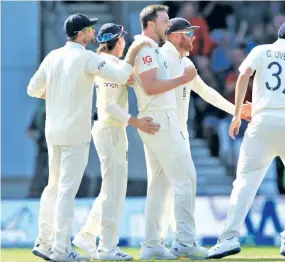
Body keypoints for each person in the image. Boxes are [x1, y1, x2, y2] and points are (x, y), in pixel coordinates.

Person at [27, 13, 144, 261]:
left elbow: (33, 89)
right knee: (67, 191)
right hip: (75, 134)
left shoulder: (53, 56)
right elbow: (121, 76)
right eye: (90, 29)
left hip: (53, 131)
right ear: (81, 34)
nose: (93, 33)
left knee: (53, 188)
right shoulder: (87, 57)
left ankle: (44, 240)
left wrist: (59, 94)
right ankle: (61, 250)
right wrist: (133, 54)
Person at [207, 21, 285, 260]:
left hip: (261, 123)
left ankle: (228, 238)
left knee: (244, 182)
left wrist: (237, 114)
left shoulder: (261, 50)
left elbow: (243, 76)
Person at [158, 17, 250, 247]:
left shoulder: (186, 63)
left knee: (170, 184)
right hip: (165, 129)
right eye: (188, 33)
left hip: (177, 130)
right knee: (184, 181)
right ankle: (183, 240)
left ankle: (159, 241)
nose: (193, 38)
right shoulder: (161, 57)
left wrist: (236, 111)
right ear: (175, 35)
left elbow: (207, 93)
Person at [70, 23, 159, 260]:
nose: (125, 44)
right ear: (116, 41)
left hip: (114, 131)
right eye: (123, 40)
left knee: (113, 190)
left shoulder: (112, 64)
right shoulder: (107, 64)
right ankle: (108, 248)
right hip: (109, 131)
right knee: (114, 192)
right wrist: (137, 122)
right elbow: (108, 106)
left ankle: (87, 235)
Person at [130, 4, 207, 260]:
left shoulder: (151, 50)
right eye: (164, 20)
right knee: (186, 178)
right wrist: (183, 80)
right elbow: (151, 87)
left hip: (159, 118)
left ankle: (151, 244)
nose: (167, 24)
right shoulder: (147, 49)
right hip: (161, 119)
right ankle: (185, 241)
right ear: (151, 23)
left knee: (160, 187)